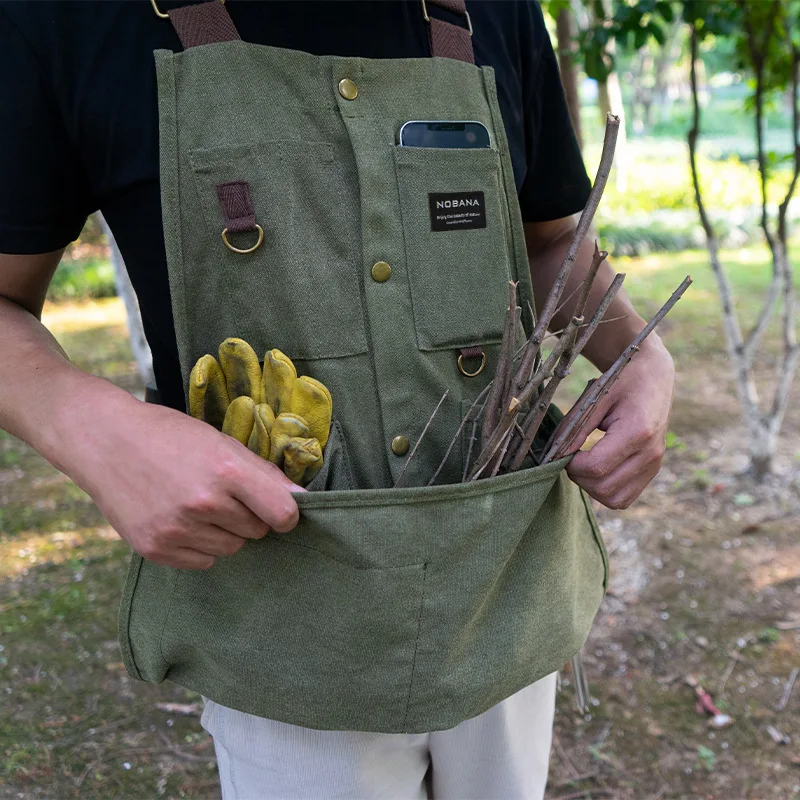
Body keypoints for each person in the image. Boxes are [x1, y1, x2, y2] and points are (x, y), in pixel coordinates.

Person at [0, 1, 674, 798]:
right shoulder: (66, 21)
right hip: (286, 628)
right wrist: (94, 428)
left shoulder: (497, 11)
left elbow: (545, 239)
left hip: (503, 586)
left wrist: (640, 352)